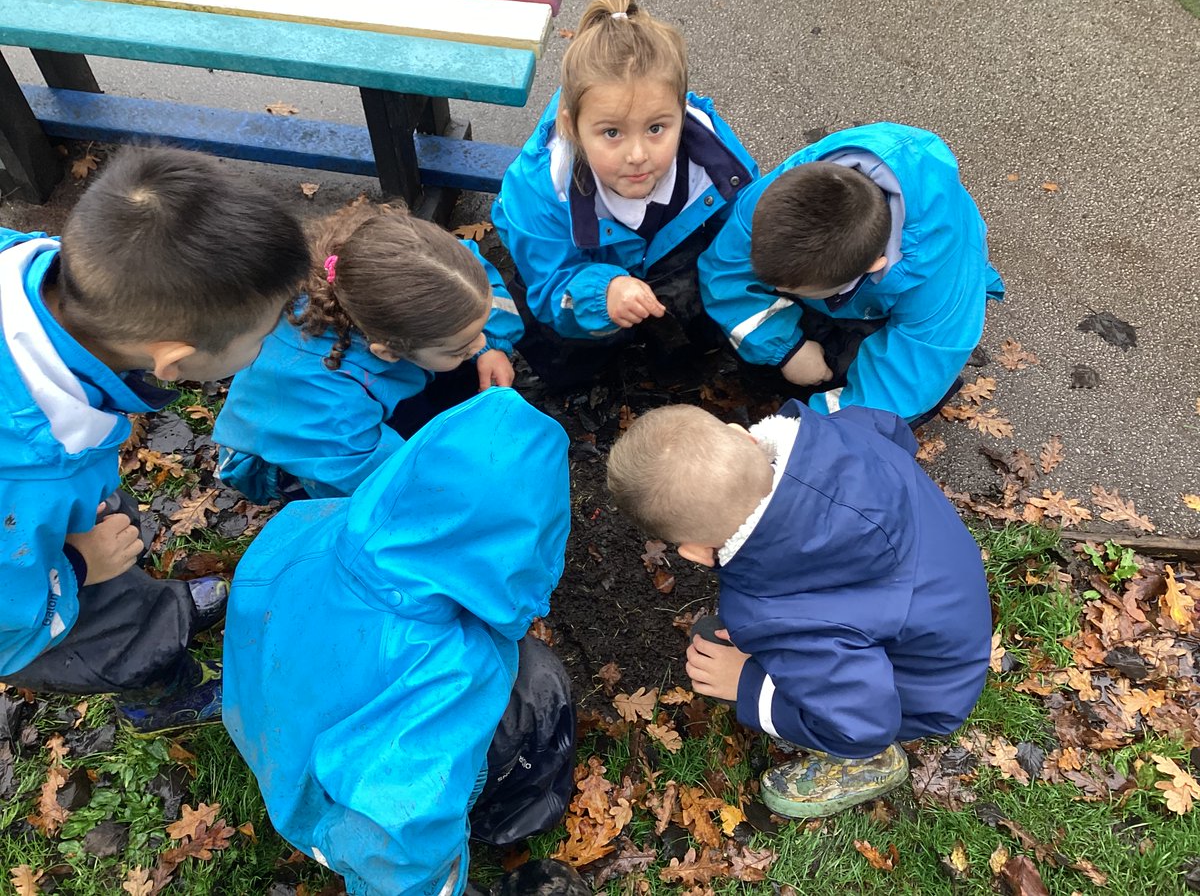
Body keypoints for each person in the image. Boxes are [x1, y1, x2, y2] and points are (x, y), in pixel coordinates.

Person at [0, 147, 309, 733]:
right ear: (174, 361)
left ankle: (156, 606)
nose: (270, 342)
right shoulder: (27, 473)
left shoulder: (30, 269)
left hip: (54, 512)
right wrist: (76, 565)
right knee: (119, 637)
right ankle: (160, 695)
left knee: (116, 528)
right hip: (29, 603)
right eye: (262, 336)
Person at [222, 387, 577, 896]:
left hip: (277, 743)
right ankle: (504, 819)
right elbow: (393, 840)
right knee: (539, 686)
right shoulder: (448, 671)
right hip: (332, 812)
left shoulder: (303, 522)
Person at [606, 401, 991, 817]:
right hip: (945, 603)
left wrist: (749, 686)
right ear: (742, 434)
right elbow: (894, 430)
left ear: (695, 552)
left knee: (708, 642)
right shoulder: (841, 434)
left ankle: (870, 766)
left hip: (925, 694)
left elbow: (865, 723)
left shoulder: (780, 613)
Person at [492, 0, 758, 389]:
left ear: (682, 113)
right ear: (571, 126)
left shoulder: (717, 160)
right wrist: (602, 294)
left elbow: (742, 231)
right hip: (576, 267)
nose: (637, 155)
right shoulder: (540, 190)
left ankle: (678, 359)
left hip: (666, 253)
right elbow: (549, 283)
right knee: (562, 355)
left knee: (695, 321)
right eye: (612, 132)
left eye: (656, 128)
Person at [213, 200, 522, 501]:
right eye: (460, 347)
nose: (477, 342)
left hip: (359, 389)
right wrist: (443, 489)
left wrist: (491, 346)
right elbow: (371, 483)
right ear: (387, 352)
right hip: (298, 454)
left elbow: (479, 287)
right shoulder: (329, 404)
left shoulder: (436, 270)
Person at [699, 122, 1005, 425]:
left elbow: (902, 389)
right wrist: (786, 349)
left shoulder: (940, 283)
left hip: (904, 294)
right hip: (849, 284)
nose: (778, 291)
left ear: (873, 265)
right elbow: (725, 269)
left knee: (908, 391)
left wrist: (796, 431)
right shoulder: (778, 202)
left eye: (795, 290)